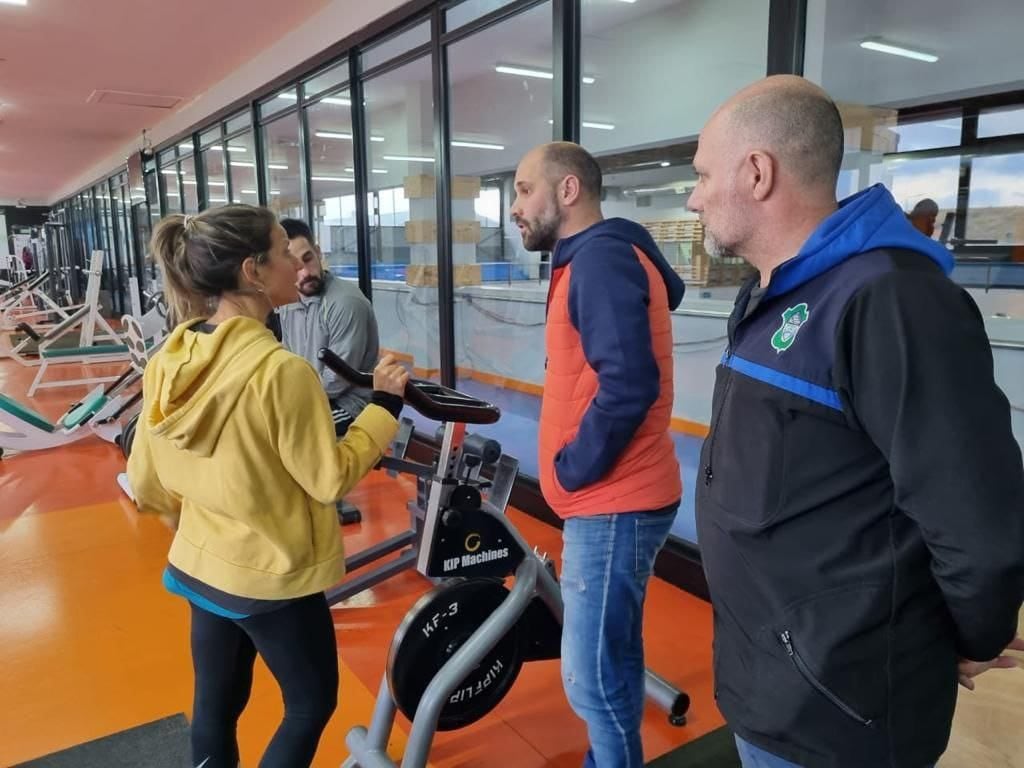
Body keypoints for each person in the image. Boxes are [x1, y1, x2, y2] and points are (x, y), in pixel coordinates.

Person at [686, 75, 1024, 768]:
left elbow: (978, 527)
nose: (692, 196)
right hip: (771, 686)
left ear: (757, 172)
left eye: (701, 175)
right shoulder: (777, 295)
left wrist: (959, 639)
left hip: (839, 712)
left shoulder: (892, 300)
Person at [126, 205, 410, 768]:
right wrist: (385, 405)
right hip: (270, 580)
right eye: (285, 251)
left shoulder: (170, 359)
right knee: (309, 704)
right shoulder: (282, 373)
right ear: (254, 272)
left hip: (200, 566)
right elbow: (328, 480)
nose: (295, 262)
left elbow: (145, 481)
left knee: (216, 705)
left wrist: (201, 526)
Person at [511, 141, 685, 768]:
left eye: (525, 189)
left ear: (568, 191)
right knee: (612, 658)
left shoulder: (603, 261)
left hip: (613, 501)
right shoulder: (587, 258)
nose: (515, 207)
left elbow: (629, 384)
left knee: (588, 678)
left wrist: (572, 468)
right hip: (613, 497)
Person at [276, 218, 379, 430]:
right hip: (313, 396)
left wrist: (294, 404)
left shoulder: (345, 302)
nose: (305, 273)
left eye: (308, 259)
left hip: (351, 404)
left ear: (318, 251)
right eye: (295, 266)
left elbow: (337, 381)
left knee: (298, 432)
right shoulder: (288, 303)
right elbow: (288, 356)